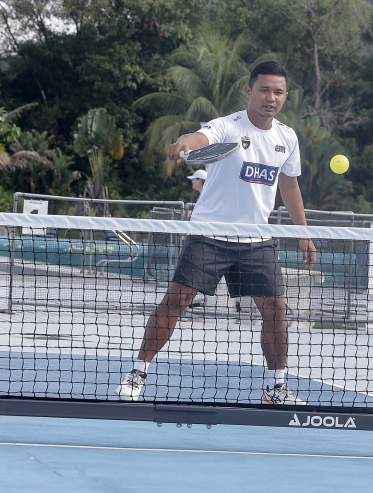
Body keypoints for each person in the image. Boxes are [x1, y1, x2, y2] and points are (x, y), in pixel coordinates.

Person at [114, 61, 317, 405]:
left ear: (285, 96)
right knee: (175, 302)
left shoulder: (287, 137)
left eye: (278, 92)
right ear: (249, 91)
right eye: (264, 90)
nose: (271, 98)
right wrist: (184, 141)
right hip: (209, 236)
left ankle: (276, 388)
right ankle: (138, 373)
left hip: (256, 241)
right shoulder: (228, 127)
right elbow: (201, 138)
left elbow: (290, 187)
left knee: (277, 310)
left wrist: (304, 234)